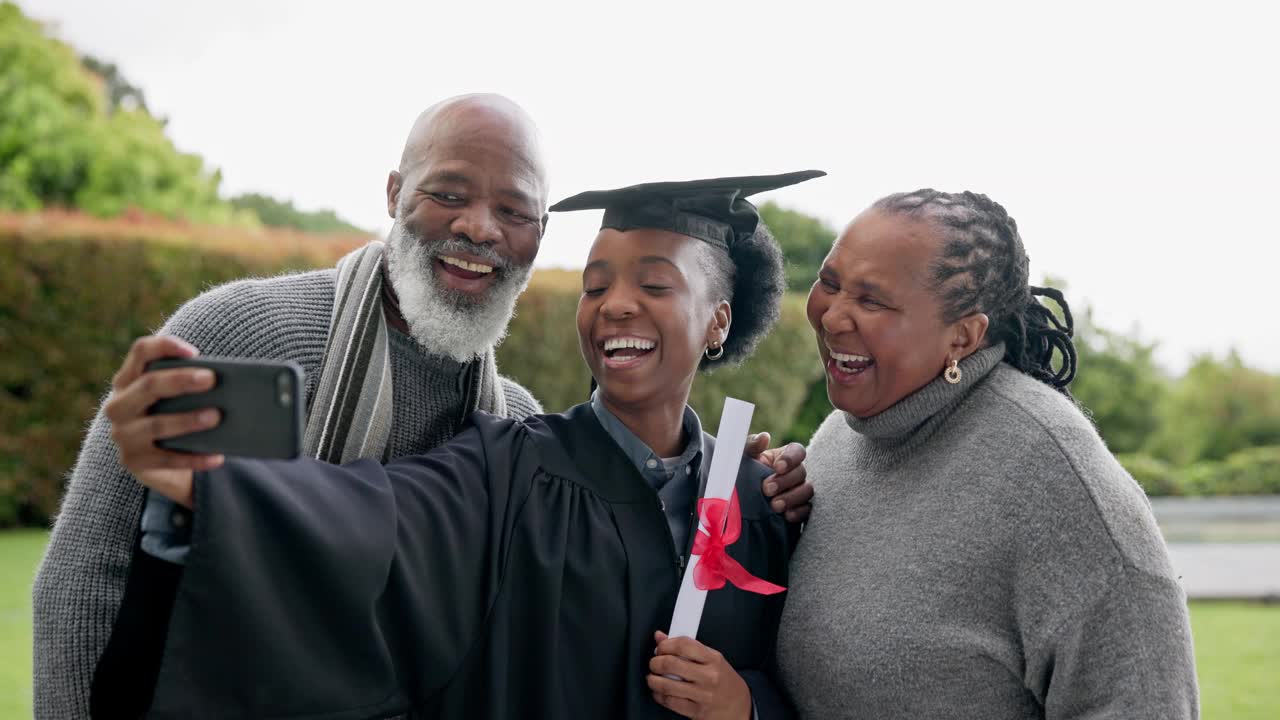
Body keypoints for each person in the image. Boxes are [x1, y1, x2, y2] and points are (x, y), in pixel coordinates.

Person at [31, 94, 813, 719]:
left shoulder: (742, 500)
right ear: (396, 193)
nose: (478, 228)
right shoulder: (514, 459)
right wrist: (203, 480)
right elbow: (379, 519)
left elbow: (807, 678)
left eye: (654, 284)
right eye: (597, 283)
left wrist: (744, 706)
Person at [776, 190, 1199, 719]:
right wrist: (763, 521)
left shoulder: (1055, 480)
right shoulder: (842, 437)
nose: (832, 317)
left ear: (963, 337)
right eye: (830, 283)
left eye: (872, 300)